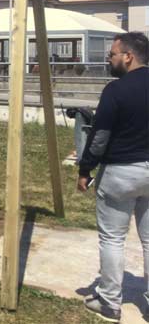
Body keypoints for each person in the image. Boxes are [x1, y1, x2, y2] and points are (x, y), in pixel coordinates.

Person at [78, 32, 149, 323]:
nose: (109, 59)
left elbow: (99, 137)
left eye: (112, 54)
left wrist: (85, 169)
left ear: (128, 57)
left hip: (120, 172)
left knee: (112, 239)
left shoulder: (115, 90)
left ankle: (109, 301)